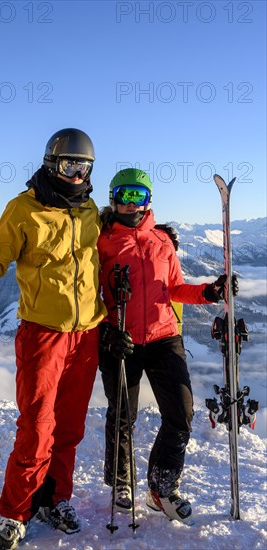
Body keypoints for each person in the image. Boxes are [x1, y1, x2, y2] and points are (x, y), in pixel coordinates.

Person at [0, 128, 107, 549]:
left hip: (87, 334)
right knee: (37, 428)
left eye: (84, 166)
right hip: (43, 336)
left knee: (69, 428)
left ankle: (56, 499)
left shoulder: (90, 210)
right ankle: (16, 511)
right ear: (52, 164)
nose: (76, 174)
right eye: (69, 164)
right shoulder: (23, 208)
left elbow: (118, 245)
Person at [97, 168, 238, 525]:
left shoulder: (162, 241)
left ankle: (161, 488)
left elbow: (174, 287)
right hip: (120, 340)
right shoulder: (100, 242)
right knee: (122, 416)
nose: (131, 204)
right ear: (112, 197)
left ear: (148, 201)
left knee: (181, 414)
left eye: (138, 196)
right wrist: (106, 331)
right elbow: (87, 294)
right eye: (125, 195)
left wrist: (209, 292)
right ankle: (121, 484)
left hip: (163, 338)